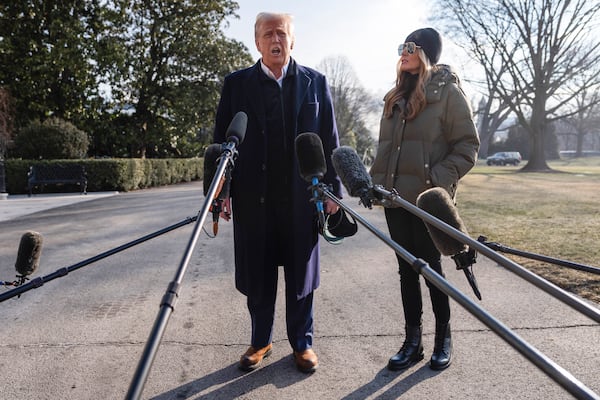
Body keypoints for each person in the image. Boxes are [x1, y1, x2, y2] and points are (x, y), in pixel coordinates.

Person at [212, 12, 341, 373]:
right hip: (255, 197)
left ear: (292, 40)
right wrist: (220, 192)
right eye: (268, 33)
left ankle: (303, 344)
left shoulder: (316, 82)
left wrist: (334, 192)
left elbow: (331, 140)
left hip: (303, 197)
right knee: (259, 274)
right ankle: (260, 341)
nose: (275, 39)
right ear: (256, 42)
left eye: (281, 33)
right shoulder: (236, 84)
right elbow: (224, 141)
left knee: (301, 276)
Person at [369, 28, 479, 371]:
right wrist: (375, 185)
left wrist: (436, 181)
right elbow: (386, 151)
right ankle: (412, 341)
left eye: (411, 47)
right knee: (406, 270)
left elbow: (467, 147)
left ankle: (442, 337)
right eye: (401, 46)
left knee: (431, 269)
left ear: (426, 53)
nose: (403, 52)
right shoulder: (394, 97)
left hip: (429, 202)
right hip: (395, 200)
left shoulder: (448, 93)